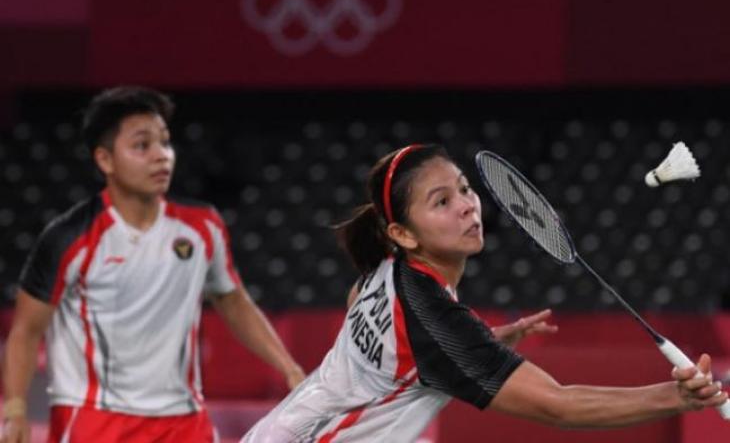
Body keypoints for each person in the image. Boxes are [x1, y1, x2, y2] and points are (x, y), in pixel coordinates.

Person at [241, 144, 728, 442]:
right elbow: (558, 405)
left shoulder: (387, 271)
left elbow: (364, 316)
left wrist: (480, 339)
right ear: (404, 234)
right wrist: (673, 398)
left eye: (464, 189)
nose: (468, 207)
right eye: (442, 202)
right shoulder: (435, 321)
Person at [0, 87, 305, 443]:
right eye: (142, 146)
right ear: (105, 160)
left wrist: (290, 368)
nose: (162, 156)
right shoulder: (69, 238)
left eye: (165, 142)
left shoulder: (202, 226)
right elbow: (26, 330)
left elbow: (233, 301)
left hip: (184, 420)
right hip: (94, 420)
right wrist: (16, 409)